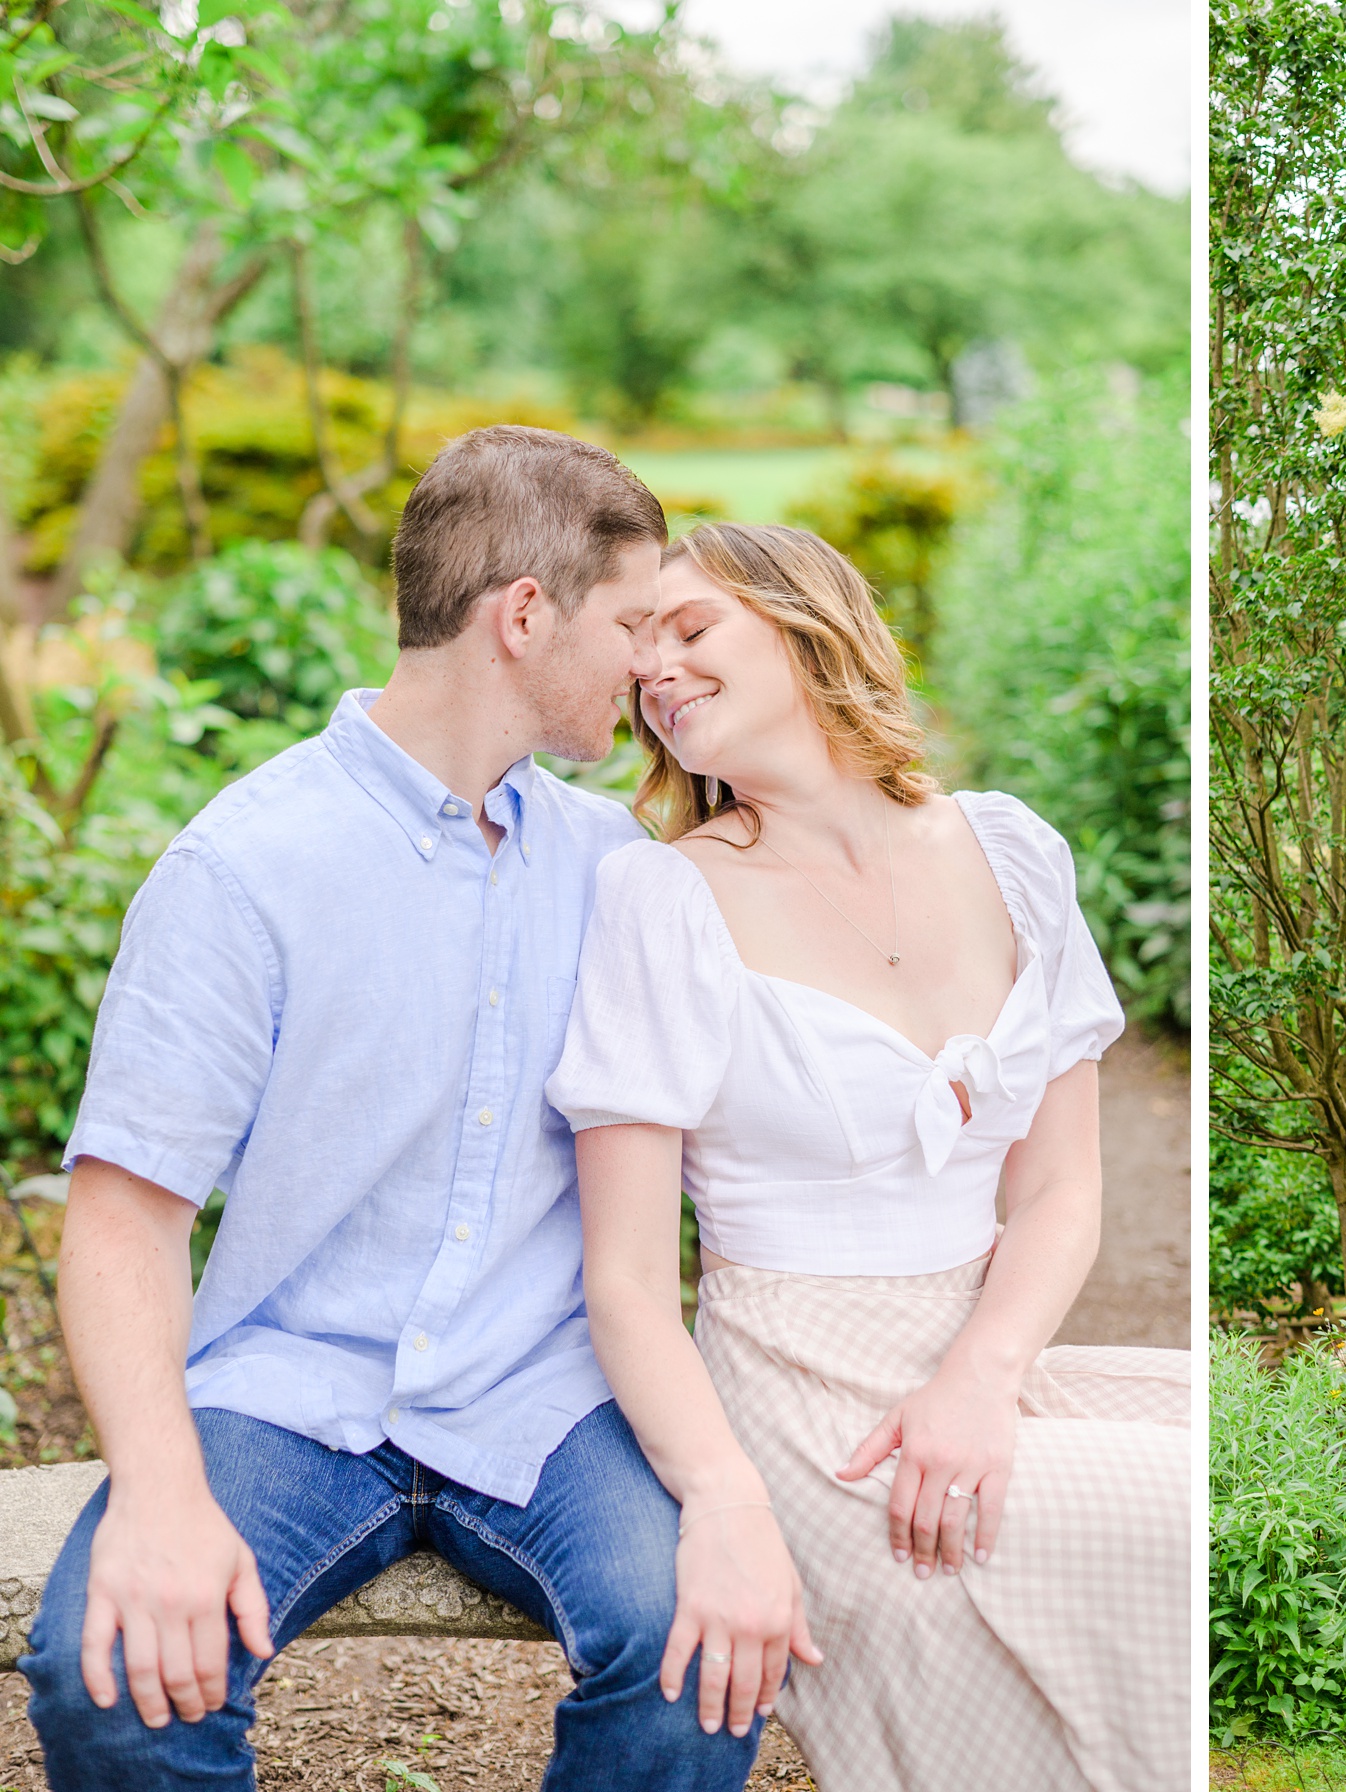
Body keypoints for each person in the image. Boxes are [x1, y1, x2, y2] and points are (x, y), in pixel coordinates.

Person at [24, 427, 779, 1791]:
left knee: (696, 1650)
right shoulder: (241, 871)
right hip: (291, 1394)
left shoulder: (619, 867)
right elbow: (122, 1225)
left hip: (549, 1397)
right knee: (106, 1673)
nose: (648, 666)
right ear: (525, 616)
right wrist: (156, 1489)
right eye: (629, 623)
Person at [548, 521, 1189, 1792]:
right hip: (801, 1393)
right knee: (1159, 1521)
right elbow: (624, 1281)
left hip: (982, 1357)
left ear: (808, 623)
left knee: (1191, 1466)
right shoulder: (664, 899)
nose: (658, 673)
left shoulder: (1012, 850)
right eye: (641, 654)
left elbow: (1061, 1189)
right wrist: (727, 1501)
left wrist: (981, 1377)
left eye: (693, 629)